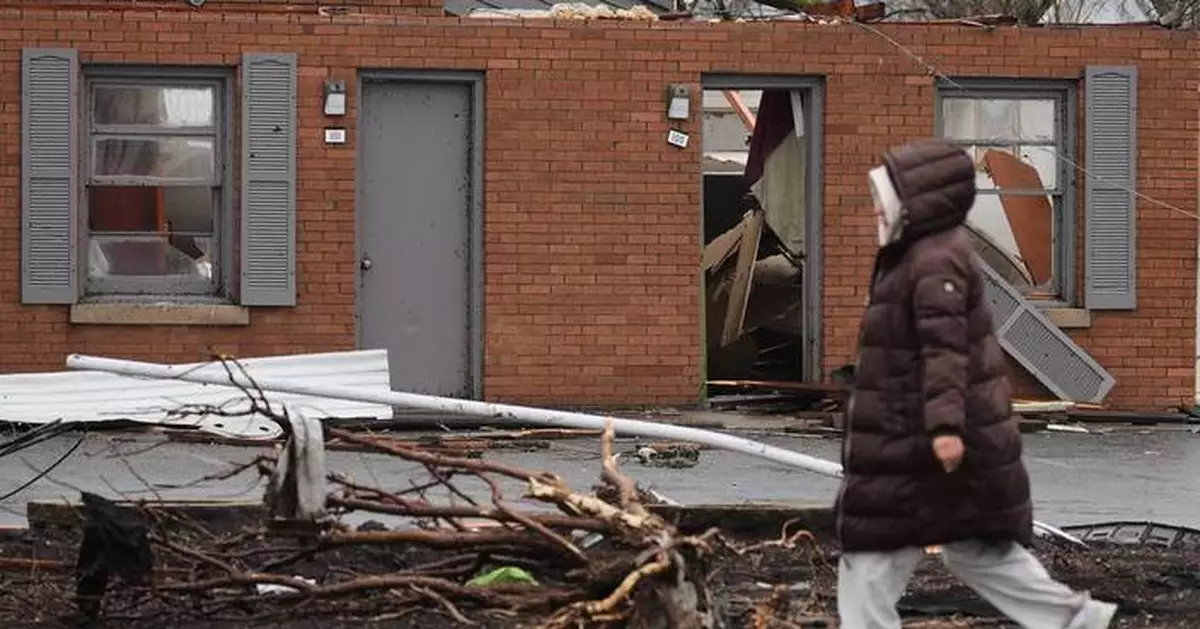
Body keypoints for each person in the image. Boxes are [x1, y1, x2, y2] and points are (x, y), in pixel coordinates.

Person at [835, 138, 1118, 629]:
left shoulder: (931, 261)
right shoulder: (920, 256)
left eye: (884, 196)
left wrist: (945, 427)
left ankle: (1077, 620)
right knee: (970, 549)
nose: (876, 207)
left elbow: (945, 348)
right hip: (918, 441)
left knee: (877, 552)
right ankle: (1077, 620)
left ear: (915, 201)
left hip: (916, 443)